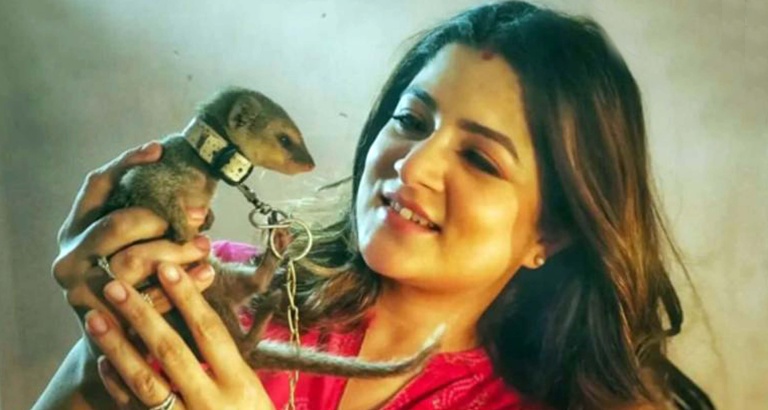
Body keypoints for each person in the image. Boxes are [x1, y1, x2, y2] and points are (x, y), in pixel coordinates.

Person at [34, 1, 715, 409]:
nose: (412, 164)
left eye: (480, 159)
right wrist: (106, 332)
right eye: (411, 121)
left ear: (555, 231)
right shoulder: (214, 288)